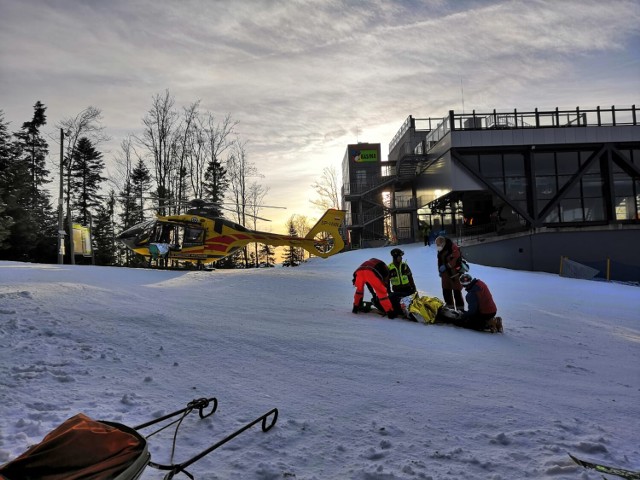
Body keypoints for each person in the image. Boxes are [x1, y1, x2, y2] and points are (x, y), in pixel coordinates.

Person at [435, 235, 465, 310]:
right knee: (446, 291)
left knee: (457, 292)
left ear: (443, 243)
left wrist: (447, 266)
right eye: (437, 245)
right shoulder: (440, 251)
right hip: (445, 274)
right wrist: (440, 270)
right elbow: (439, 261)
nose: (438, 246)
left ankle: (460, 310)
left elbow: (455, 258)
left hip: (454, 273)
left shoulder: (452, 247)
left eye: (439, 245)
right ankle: (449, 308)